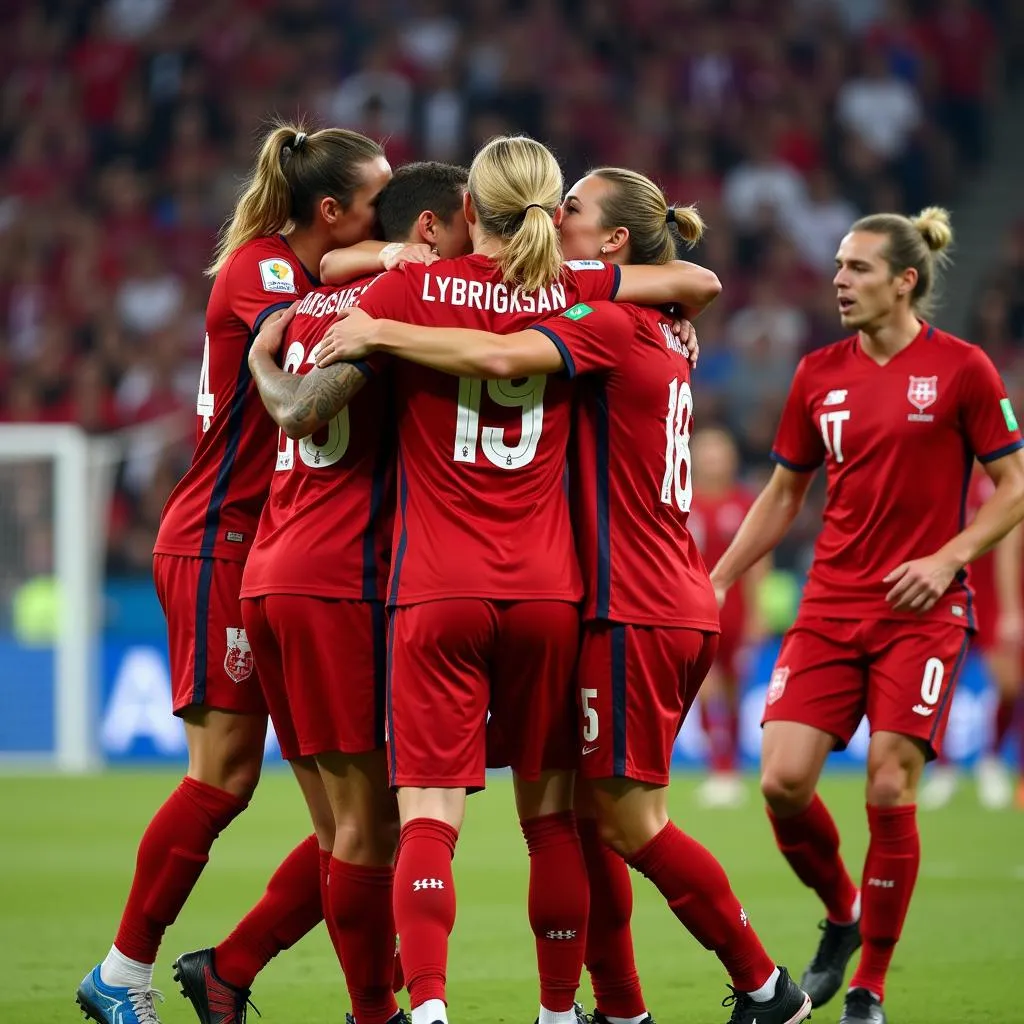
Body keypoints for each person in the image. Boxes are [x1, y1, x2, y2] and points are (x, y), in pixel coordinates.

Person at [318, 165, 813, 1024]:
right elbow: (695, 280)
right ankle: (612, 1011)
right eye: (559, 204)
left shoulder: (601, 319)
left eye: (577, 210)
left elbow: (496, 347)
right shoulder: (614, 307)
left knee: (624, 825)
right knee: (577, 821)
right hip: (591, 598)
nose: (564, 219)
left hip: (623, 602)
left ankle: (766, 986)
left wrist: (382, 328)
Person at [246, 135, 720, 1024]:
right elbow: (695, 285)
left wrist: (272, 350)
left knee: (423, 819)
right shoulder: (578, 291)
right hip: (553, 593)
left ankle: (424, 1009)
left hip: (433, 589)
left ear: (469, 212)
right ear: (547, 213)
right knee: (554, 822)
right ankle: (557, 1012)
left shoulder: (408, 291)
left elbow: (308, 407)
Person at [76, 121, 392, 1024]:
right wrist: (398, 267)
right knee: (223, 777)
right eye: (378, 202)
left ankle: (237, 971)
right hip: (220, 539)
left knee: (354, 815)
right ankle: (120, 972)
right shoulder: (263, 267)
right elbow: (294, 345)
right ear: (331, 211)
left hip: (277, 550)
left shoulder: (313, 268)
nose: (391, 216)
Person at [170, 162, 470, 1024]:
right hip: (343, 582)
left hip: (273, 572)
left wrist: (268, 360)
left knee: (348, 826)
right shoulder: (406, 302)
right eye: (463, 230)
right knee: (372, 832)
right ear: (428, 231)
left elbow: (293, 392)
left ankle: (231, 968)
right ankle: (373, 1011)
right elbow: (309, 412)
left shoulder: (304, 304)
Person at [708, 207, 1024, 1024]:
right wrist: (716, 578)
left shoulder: (963, 369)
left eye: (858, 269)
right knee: (780, 783)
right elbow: (784, 494)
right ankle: (844, 912)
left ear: (904, 280)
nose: (839, 281)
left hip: (923, 612)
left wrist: (950, 556)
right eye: (839, 267)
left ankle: (869, 988)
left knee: (889, 781)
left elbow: (1015, 487)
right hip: (830, 604)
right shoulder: (818, 373)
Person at [919, 465, 1022, 809]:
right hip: (949, 592)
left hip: (991, 598)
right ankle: (943, 770)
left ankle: (991, 761)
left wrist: (1010, 608)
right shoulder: (947, 477)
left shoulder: (1005, 478)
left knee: (1009, 684)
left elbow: (1010, 547)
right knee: (942, 687)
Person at [689, 427, 767, 809]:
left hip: (735, 613)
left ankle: (731, 767)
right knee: (705, 687)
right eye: (706, 451)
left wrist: (758, 613)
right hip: (693, 614)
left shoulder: (744, 502)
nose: (712, 459)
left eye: (719, 452)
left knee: (733, 692)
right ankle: (717, 767)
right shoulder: (682, 501)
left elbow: (758, 561)